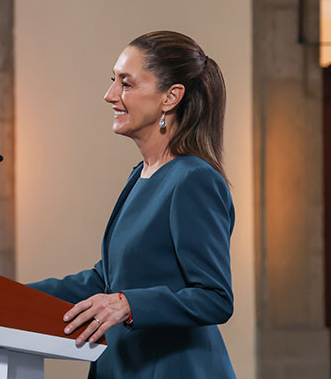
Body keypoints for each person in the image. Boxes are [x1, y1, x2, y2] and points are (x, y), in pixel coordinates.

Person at [27, 31, 236, 378]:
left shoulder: (193, 180)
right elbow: (106, 280)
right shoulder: (142, 174)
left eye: (126, 83)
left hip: (171, 370)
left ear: (170, 97)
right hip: (125, 366)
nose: (110, 95)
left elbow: (215, 297)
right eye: (114, 81)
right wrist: (6, 295)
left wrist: (127, 305)